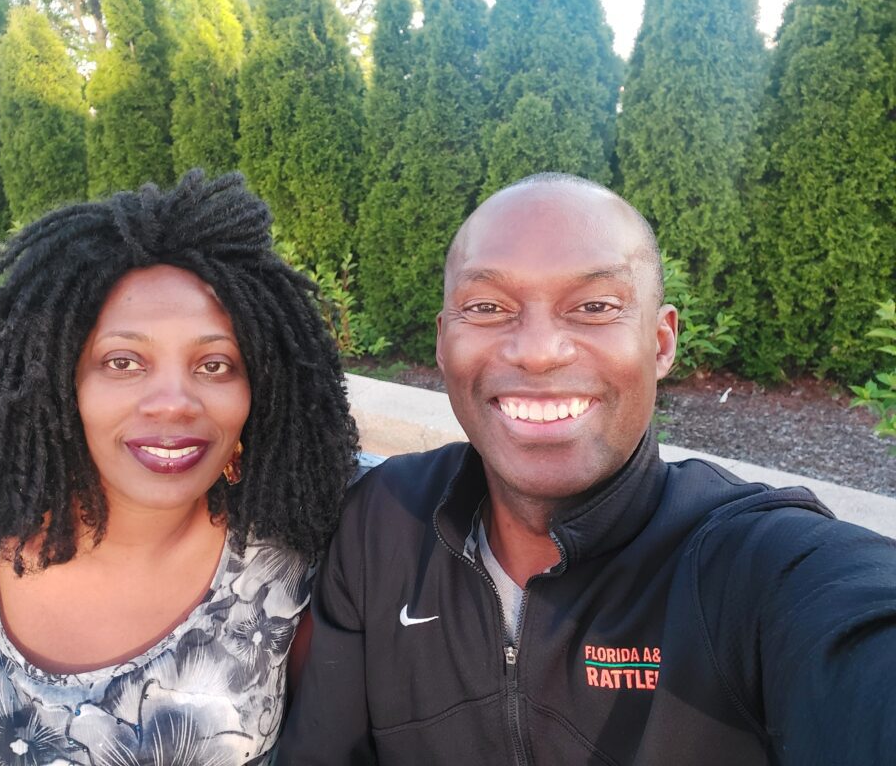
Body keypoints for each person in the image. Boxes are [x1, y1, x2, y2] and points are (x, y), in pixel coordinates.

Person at [279, 173, 896, 765]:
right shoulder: (381, 521)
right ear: (443, 342)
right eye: (488, 306)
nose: (538, 350)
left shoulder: (751, 562)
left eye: (595, 306)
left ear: (661, 342)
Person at [0, 171, 359, 765]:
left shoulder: (289, 576)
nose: (175, 400)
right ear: (56, 385)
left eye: (215, 365)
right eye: (123, 361)